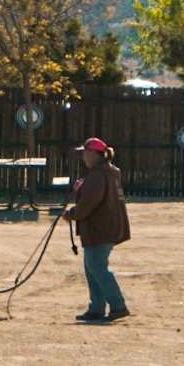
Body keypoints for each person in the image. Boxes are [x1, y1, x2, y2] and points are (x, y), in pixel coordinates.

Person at [63, 136, 131, 323]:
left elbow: (88, 204)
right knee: (92, 267)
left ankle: (118, 305)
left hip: (100, 229)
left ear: (94, 154)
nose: (83, 157)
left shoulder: (97, 175)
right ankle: (97, 308)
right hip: (106, 228)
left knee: (96, 267)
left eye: (85, 153)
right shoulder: (108, 173)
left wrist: (72, 214)